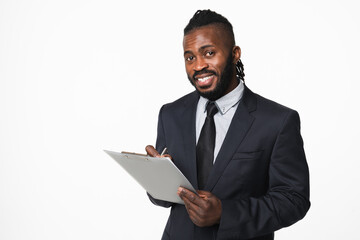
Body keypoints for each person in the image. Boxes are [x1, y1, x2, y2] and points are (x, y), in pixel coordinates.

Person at [145, 9, 310, 240]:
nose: (198, 65)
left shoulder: (278, 121)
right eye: (190, 57)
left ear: (235, 54)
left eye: (209, 53)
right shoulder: (171, 114)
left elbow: (294, 199)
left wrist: (225, 213)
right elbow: (161, 198)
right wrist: (157, 178)